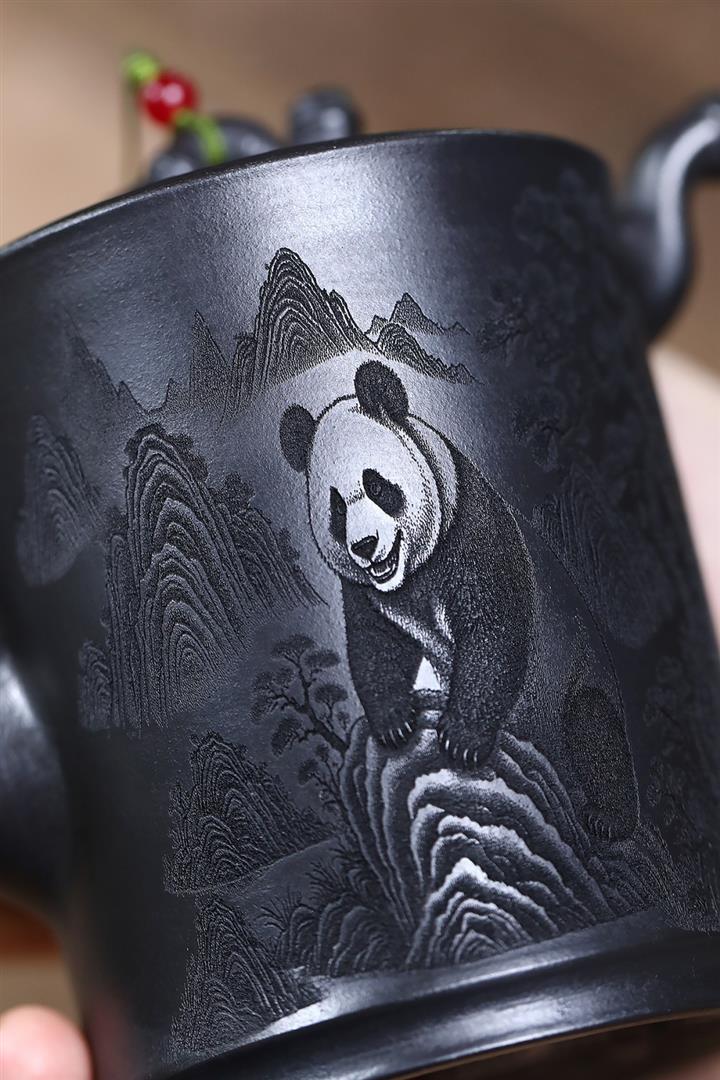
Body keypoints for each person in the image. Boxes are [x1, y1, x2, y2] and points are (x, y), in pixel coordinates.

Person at [1, 353, 718, 1079]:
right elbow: (374, 658)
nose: (362, 528)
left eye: (376, 492)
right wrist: (389, 708)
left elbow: (499, 628)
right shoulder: (380, 549)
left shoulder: (473, 524)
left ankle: (610, 824)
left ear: (403, 429)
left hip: (567, 707)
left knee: (588, 737)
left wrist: (473, 717)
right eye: (340, 511)